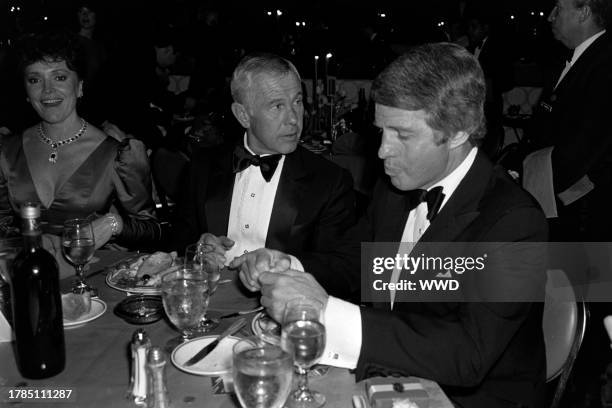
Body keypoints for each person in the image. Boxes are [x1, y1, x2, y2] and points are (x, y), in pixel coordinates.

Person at [245, 43, 548, 407]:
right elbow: (356, 261)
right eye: (381, 131)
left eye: (402, 135)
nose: (382, 151)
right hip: (389, 375)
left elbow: (467, 353)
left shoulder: (514, 222)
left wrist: (327, 311)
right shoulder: (395, 189)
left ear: (458, 132)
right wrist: (291, 266)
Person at [168, 52, 358, 300]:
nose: (294, 119)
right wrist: (198, 250)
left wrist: (287, 265)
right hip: (210, 304)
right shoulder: (202, 167)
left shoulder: (330, 181)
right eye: (277, 106)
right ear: (243, 115)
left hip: (283, 313)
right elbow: (179, 237)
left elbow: (343, 271)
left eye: (298, 102)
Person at [0, 30, 162, 251]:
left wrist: (113, 224)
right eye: (35, 79)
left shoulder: (118, 155)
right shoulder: (7, 151)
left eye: (60, 77)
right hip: (29, 276)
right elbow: (3, 228)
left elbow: (152, 231)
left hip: (91, 278)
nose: (47, 90)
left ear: (80, 87)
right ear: (27, 92)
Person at [524, 0, 612, 241]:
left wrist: (528, 180)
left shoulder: (605, 65)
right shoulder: (573, 58)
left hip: (580, 213)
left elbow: (584, 149)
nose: (551, 16)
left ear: (583, 13)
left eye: (559, 9)